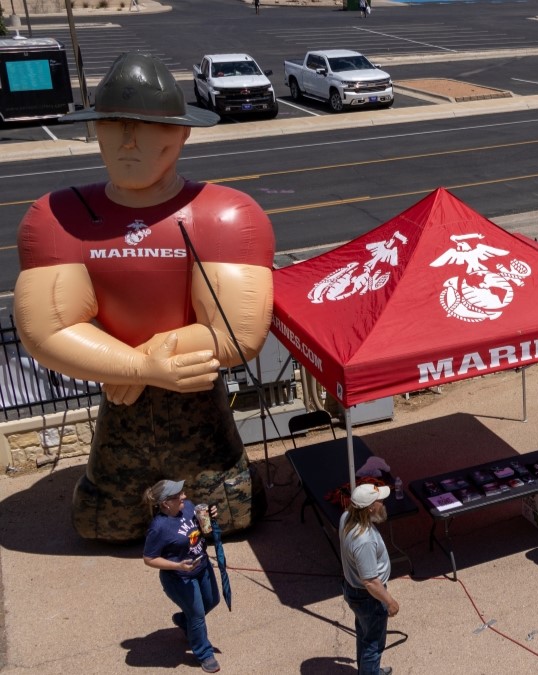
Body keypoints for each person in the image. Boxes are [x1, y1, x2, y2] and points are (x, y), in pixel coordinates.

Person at [14, 52, 275, 542]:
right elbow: (46, 328)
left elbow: (237, 334)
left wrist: (142, 359)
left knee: (228, 509)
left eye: (146, 126)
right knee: (102, 520)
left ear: (180, 134)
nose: (128, 140)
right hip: (123, 403)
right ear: (97, 131)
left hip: (196, 404)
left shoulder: (225, 215)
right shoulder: (59, 216)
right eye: (114, 124)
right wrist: (139, 369)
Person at [142, 479, 223, 674]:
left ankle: (183, 620)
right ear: (165, 503)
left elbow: (202, 531)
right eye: (179, 495)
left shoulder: (188, 507)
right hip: (180, 578)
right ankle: (204, 653)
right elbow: (149, 558)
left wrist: (211, 518)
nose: (184, 497)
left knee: (212, 600)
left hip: (202, 566)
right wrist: (177, 565)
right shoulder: (159, 527)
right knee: (197, 616)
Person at [340, 483, 400, 675]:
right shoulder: (364, 540)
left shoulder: (346, 517)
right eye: (380, 501)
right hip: (368, 598)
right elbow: (370, 582)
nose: (383, 503)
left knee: (365, 634)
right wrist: (390, 601)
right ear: (370, 508)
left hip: (354, 591)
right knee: (373, 644)